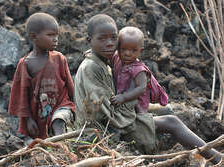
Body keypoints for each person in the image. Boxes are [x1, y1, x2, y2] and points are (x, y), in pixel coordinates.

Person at [74, 14, 222, 164]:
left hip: (115, 118)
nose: (109, 43)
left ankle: (200, 157)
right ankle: (218, 159)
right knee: (172, 122)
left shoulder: (104, 59)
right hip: (104, 130)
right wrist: (131, 98)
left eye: (113, 38)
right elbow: (106, 116)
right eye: (102, 39)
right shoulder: (91, 68)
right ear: (89, 40)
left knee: (167, 111)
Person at [8, 13, 75, 140]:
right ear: (34, 37)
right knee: (43, 139)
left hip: (62, 105)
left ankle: (62, 148)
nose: (55, 39)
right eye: (50, 35)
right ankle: (55, 150)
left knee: (59, 122)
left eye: (57, 35)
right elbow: (23, 94)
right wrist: (28, 119)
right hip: (40, 112)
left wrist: (77, 108)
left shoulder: (59, 59)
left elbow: (71, 87)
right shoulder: (25, 64)